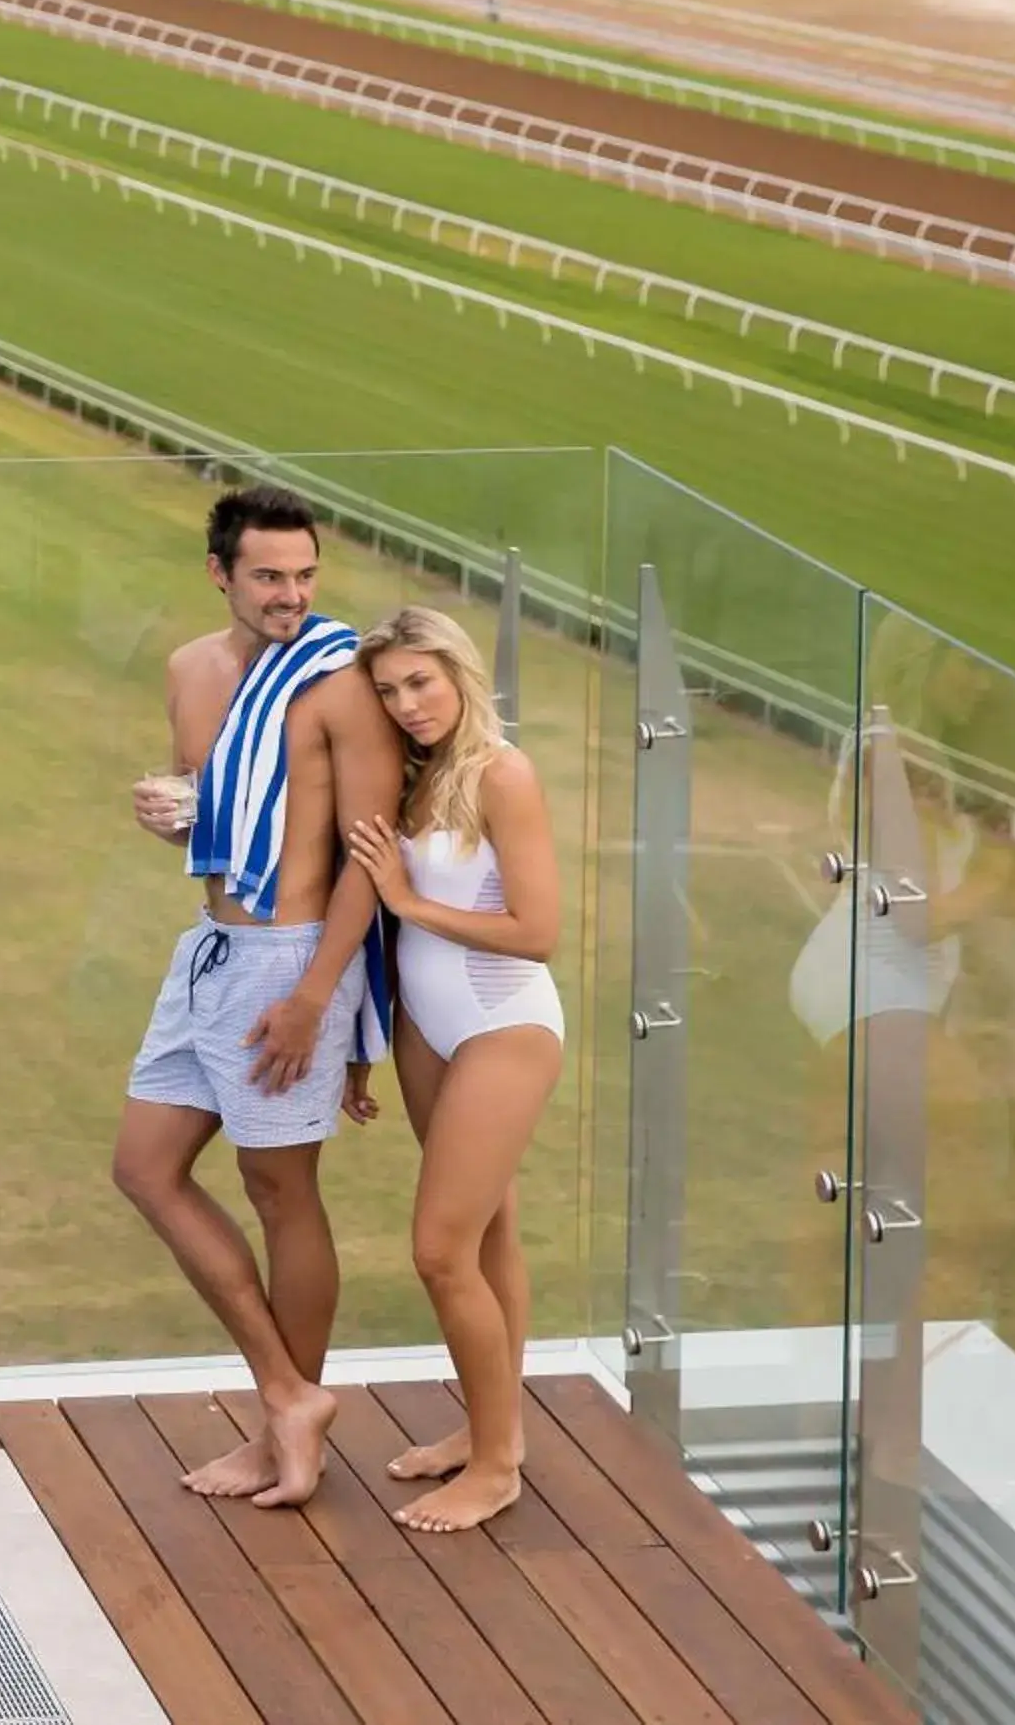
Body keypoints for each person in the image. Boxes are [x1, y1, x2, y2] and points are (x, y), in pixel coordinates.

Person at [119, 484, 404, 1509]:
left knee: (282, 1192)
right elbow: (218, 807)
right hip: (211, 950)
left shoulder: (339, 684)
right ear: (220, 574)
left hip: (292, 959)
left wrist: (317, 999)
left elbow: (371, 855)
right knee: (145, 1169)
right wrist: (173, 814)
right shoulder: (189, 670)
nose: (292, 595)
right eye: (269, 576)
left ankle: (285, 1418)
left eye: (305, 574)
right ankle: (290, 1397)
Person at [343, 606, 564, 1535]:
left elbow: (537, 932)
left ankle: (498, 1466)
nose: (407, 704)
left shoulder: (502, 775)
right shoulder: (413, 777)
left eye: (420, 682)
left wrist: (405, 898)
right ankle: (487, 1429)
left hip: (502, 1026)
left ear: (459, 673)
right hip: (423, 1027)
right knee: (485, 1235)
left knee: (439, 1251)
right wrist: (365, 1043)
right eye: (389, 691)